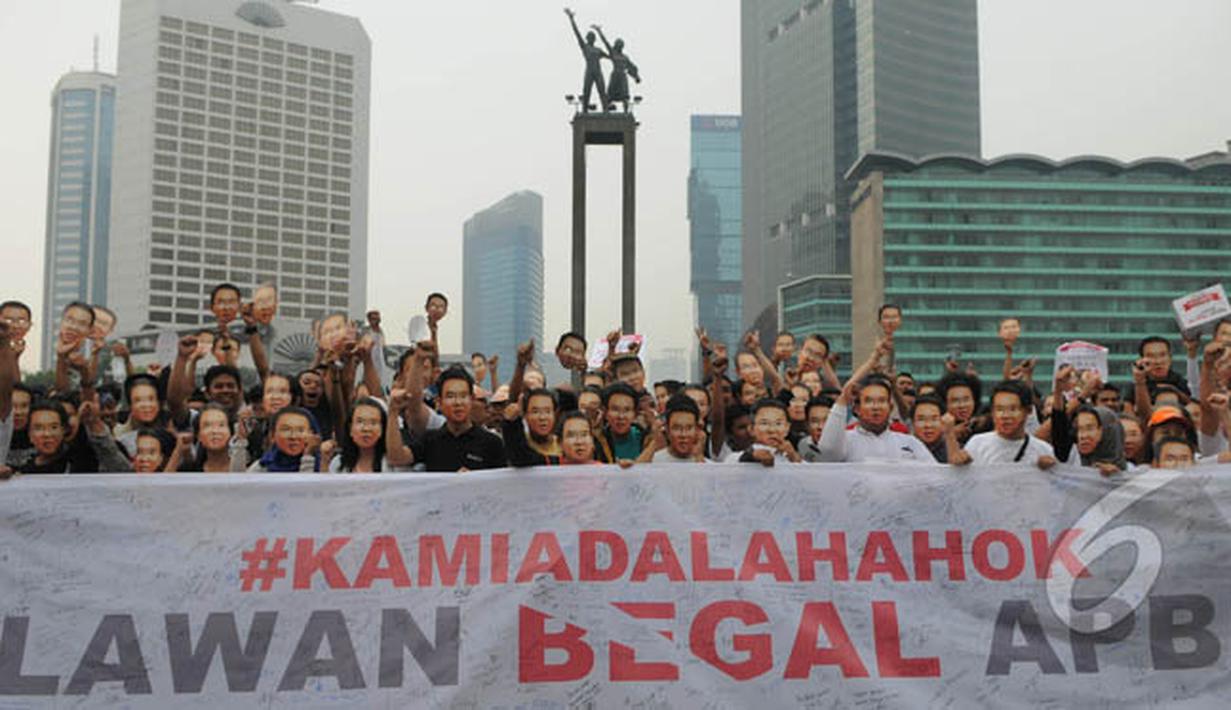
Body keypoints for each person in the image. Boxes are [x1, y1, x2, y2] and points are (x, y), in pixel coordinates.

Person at [818, 340, 938, 463]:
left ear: (890, 407)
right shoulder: (845, 440)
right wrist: (843, 399)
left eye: (881, 401)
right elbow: (827, 452)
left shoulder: (910, 443)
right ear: (857, 409)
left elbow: (935, 476)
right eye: (869, 401)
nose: (876, 407)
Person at [387, 367, 504, 472]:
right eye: (450, 396)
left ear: (472, 400)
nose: (458, 402)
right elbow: (396, 458)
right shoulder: (430, 440)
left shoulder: (492, 443)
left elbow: (502, 487)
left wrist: (474, 481)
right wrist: (393, 411)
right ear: (439, 402)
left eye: (463, 396)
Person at [955, 381, 1055, 469]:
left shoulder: (1043, 450)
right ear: (992, 412)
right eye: (999, 409)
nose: (1005, 416)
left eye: (1013, 409)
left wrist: (1048, 471)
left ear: (1028, 411)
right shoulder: (976, 445)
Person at [326, 398, 400, 473]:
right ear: (350, 429)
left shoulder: (393, 464)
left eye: (373, 423)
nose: (366, 429)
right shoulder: (338, 463)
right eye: (360, 422)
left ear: (383, 429)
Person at [247, 407, 320, 473]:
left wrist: (308, 456)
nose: (293, 437)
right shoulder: (261, 467)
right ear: (272, 436)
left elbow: (306, 486)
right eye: (286, 429)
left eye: (300, 430)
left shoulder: (323, 465)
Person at [731, 398, 800, 465]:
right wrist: (750, 457)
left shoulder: (794, 459)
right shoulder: (734, 459)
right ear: (751, 429)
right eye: (764, 423)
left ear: (787, 428)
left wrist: (794, 459)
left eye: (778, 424)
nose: (772, 430)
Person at [564, 8, 609, 111]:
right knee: (586, 91)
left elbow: (611, 57)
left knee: (602, 90)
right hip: (589, 71)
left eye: (593, 37)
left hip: (598, 72)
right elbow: (577, 34)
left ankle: (606, 110)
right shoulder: (585, 47)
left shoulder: (598, 50)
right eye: (590, 37)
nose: (591, 38)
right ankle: (585, 110)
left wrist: (600, 32)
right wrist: (571, 19)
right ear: (587, 38)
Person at [593, 382, 648, 464]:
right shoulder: (596, 441)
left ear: (635, 414)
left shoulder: (646, 438)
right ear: (605, 412)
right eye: (615, 409)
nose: (621, 416)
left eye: (627, 410)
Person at [642, 394, 705, 464]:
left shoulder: (709, 467)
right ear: (667, 429)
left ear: (697, 430)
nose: (683, 435)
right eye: (677, 428)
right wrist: (655, 442)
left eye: (689, 428)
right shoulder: (652, 462)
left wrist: (699, 457)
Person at [910, 394, 948, 463]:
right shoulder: (903, 451)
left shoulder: (953, 452)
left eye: (934, 419)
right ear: (913, 423)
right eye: (921, 419)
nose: (928, 425)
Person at [798, 395, 834, 463]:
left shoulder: (848, 445)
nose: (820, 427)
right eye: (815, 421)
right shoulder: (802, 446)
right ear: (807, 424)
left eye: (827, 421)